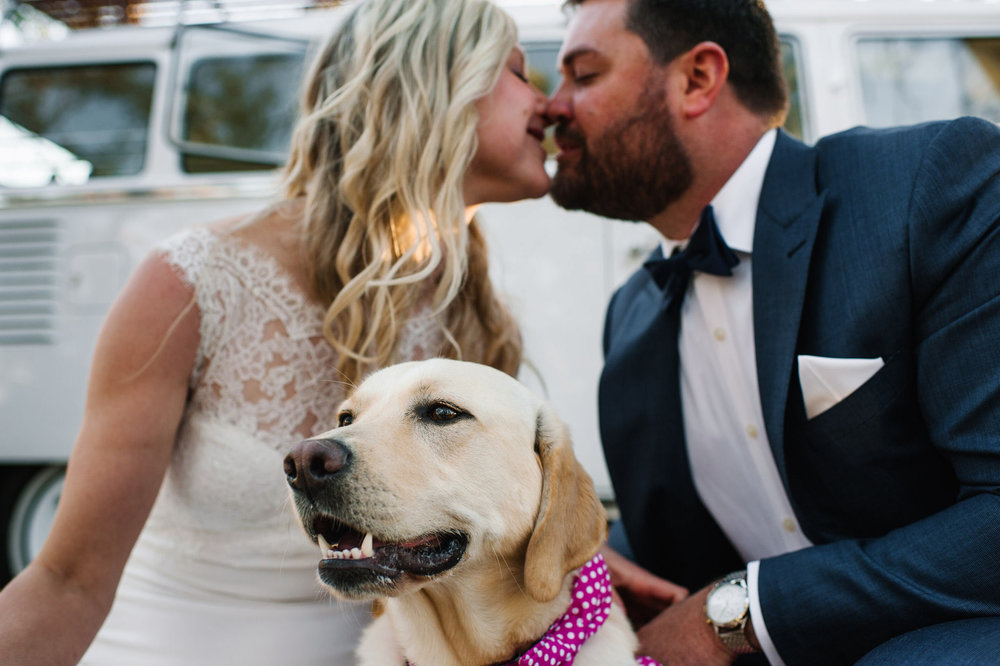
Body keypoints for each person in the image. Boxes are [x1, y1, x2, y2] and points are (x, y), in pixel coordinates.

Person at [0, 0, 551, 662]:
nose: (545, 103)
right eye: (519, 73)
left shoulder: (475, 319)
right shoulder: (192, 283)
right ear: (434, 87)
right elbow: (66, 582)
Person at [544, 0, 1000, 664]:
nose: (553, 106)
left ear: (699, 78)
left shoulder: (922, 188)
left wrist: (740, 612)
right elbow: (668, 553)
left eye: (583, 76)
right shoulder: (631, 319)